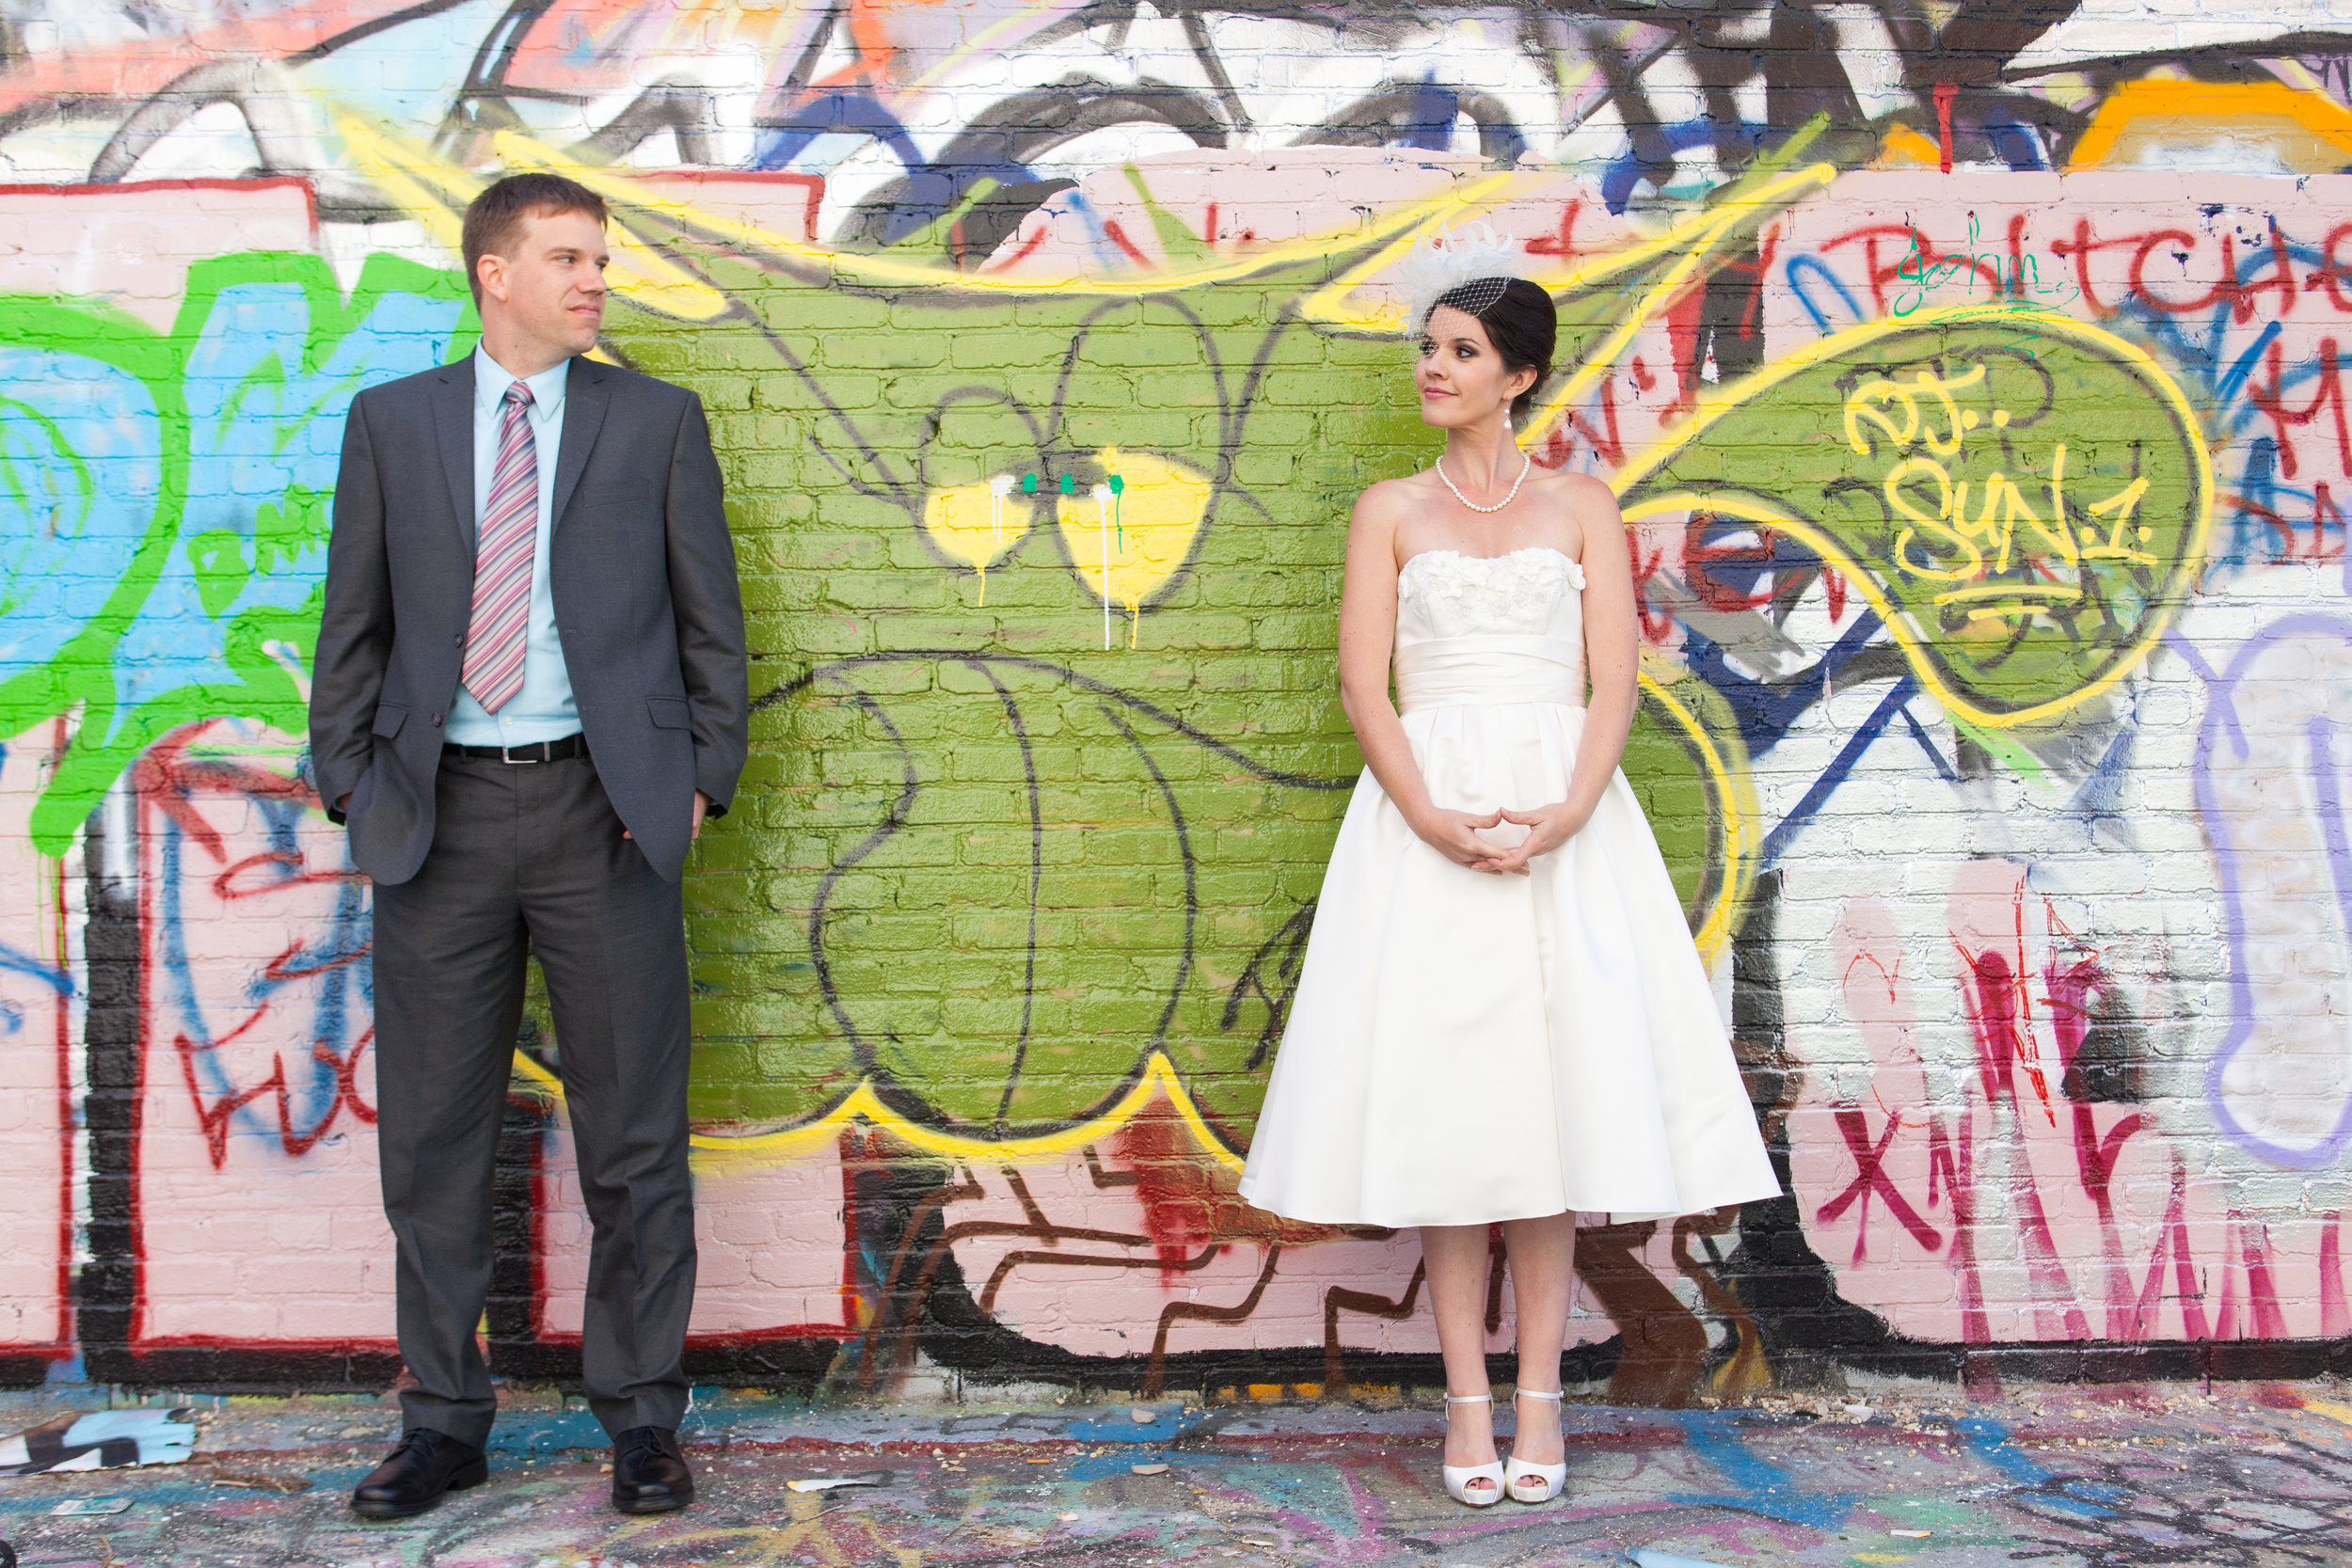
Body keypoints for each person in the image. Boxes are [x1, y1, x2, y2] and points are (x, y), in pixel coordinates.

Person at [1235, 265, 1779, 1507]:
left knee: (1546, 1122)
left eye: (1461, 351)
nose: (1434, 368)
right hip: (1424, 820)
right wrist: (1429, 816)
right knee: (1452, 1118)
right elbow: (1367, 684)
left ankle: (1539, 1398)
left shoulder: (1585, 505)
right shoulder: (1389, 509)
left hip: (1562, 818)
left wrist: (1570, 811)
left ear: (1519, 374)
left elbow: (1617, 682)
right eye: (1429, 347)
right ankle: (1466, 1407)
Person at [310, 172, 748, 1519]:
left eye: (600, 261)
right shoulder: (393, 425)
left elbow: (710, 625)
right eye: (568, 258)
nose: (594, 281)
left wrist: (698, 784)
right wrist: (351, 784)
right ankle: (442, 1421)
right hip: (435, 818)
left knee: (630, 1135)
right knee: (434, 1145)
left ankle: (640, 1418)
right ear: (494, 272)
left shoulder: (656, 422)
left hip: (601, 816)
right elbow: (357, 625)